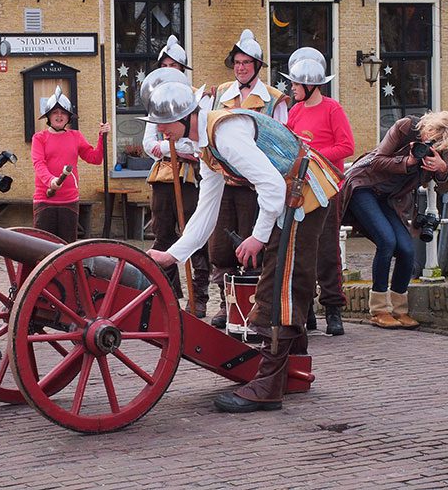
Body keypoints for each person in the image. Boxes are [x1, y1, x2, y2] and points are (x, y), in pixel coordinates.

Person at [142, 74, 340, 413]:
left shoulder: (225, 133)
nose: (161, 131)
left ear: (186, 116)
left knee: (279, 283)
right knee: (284, 279)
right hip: (291, 196)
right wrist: (173, 256)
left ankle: (267, 386)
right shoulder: (208, 146)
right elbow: (206, 212)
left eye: (165, 123)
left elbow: (273, 187)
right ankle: (293, 368)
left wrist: (257, 237)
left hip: (304, 195)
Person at [207, 29, 289, 329]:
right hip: (224, 182)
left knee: (253, 244)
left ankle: (254, 304)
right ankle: (224, 302)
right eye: (237, 62)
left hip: (255, 186)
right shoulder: (220, 94)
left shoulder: (274, 100)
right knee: (220, 247)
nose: (240, 67)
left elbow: (280, 141)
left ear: (257, 65)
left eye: (246, 62)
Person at [342, 112, 448, 329]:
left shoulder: (443, 152)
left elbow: (444, 188)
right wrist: (408, 161)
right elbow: (377, 161)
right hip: (364, 186)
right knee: (387, 242)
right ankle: (379, 309)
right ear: (427, 131)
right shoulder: (406, 127)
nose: (430, 148)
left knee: (407, 249)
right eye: (430, 142)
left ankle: (400, 309)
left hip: (389, 199)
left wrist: (443, 169)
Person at [283, 49, 355, 335]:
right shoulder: (295, 111)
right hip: (303, 189)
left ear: (310, 86)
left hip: (327, 187)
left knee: (327, 250)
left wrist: (314, 156)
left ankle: (333, 308)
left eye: (296, 84)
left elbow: (347, 146)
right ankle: (307, 309)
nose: (292, 88)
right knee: (303, 250)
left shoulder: (332, 109)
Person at [142, 36, 210, 315]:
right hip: (164, 176)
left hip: (193, 176)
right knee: (163, 233)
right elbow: (149, 144)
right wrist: (170, 148)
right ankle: (167, 294)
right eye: (165, 65)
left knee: (196, 233)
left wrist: (179, 148)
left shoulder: (197, 99)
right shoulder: (156, 100)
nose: (170, 69)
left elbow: (198, 142)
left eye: (175, 65)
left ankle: (201, 296)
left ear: (183, 69)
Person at [31, 86, 110, 243]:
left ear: (68, 117)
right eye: (55, 112)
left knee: (67, 246)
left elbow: (95, 158)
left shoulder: (76, 136)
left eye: (63, 113)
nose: (59, 116)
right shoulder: (39, 138)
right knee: (42, 247)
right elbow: (39, 164)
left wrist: (102, 136)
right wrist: (51, 181)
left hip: (69, 201)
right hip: (44, 200)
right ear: (48, 116)